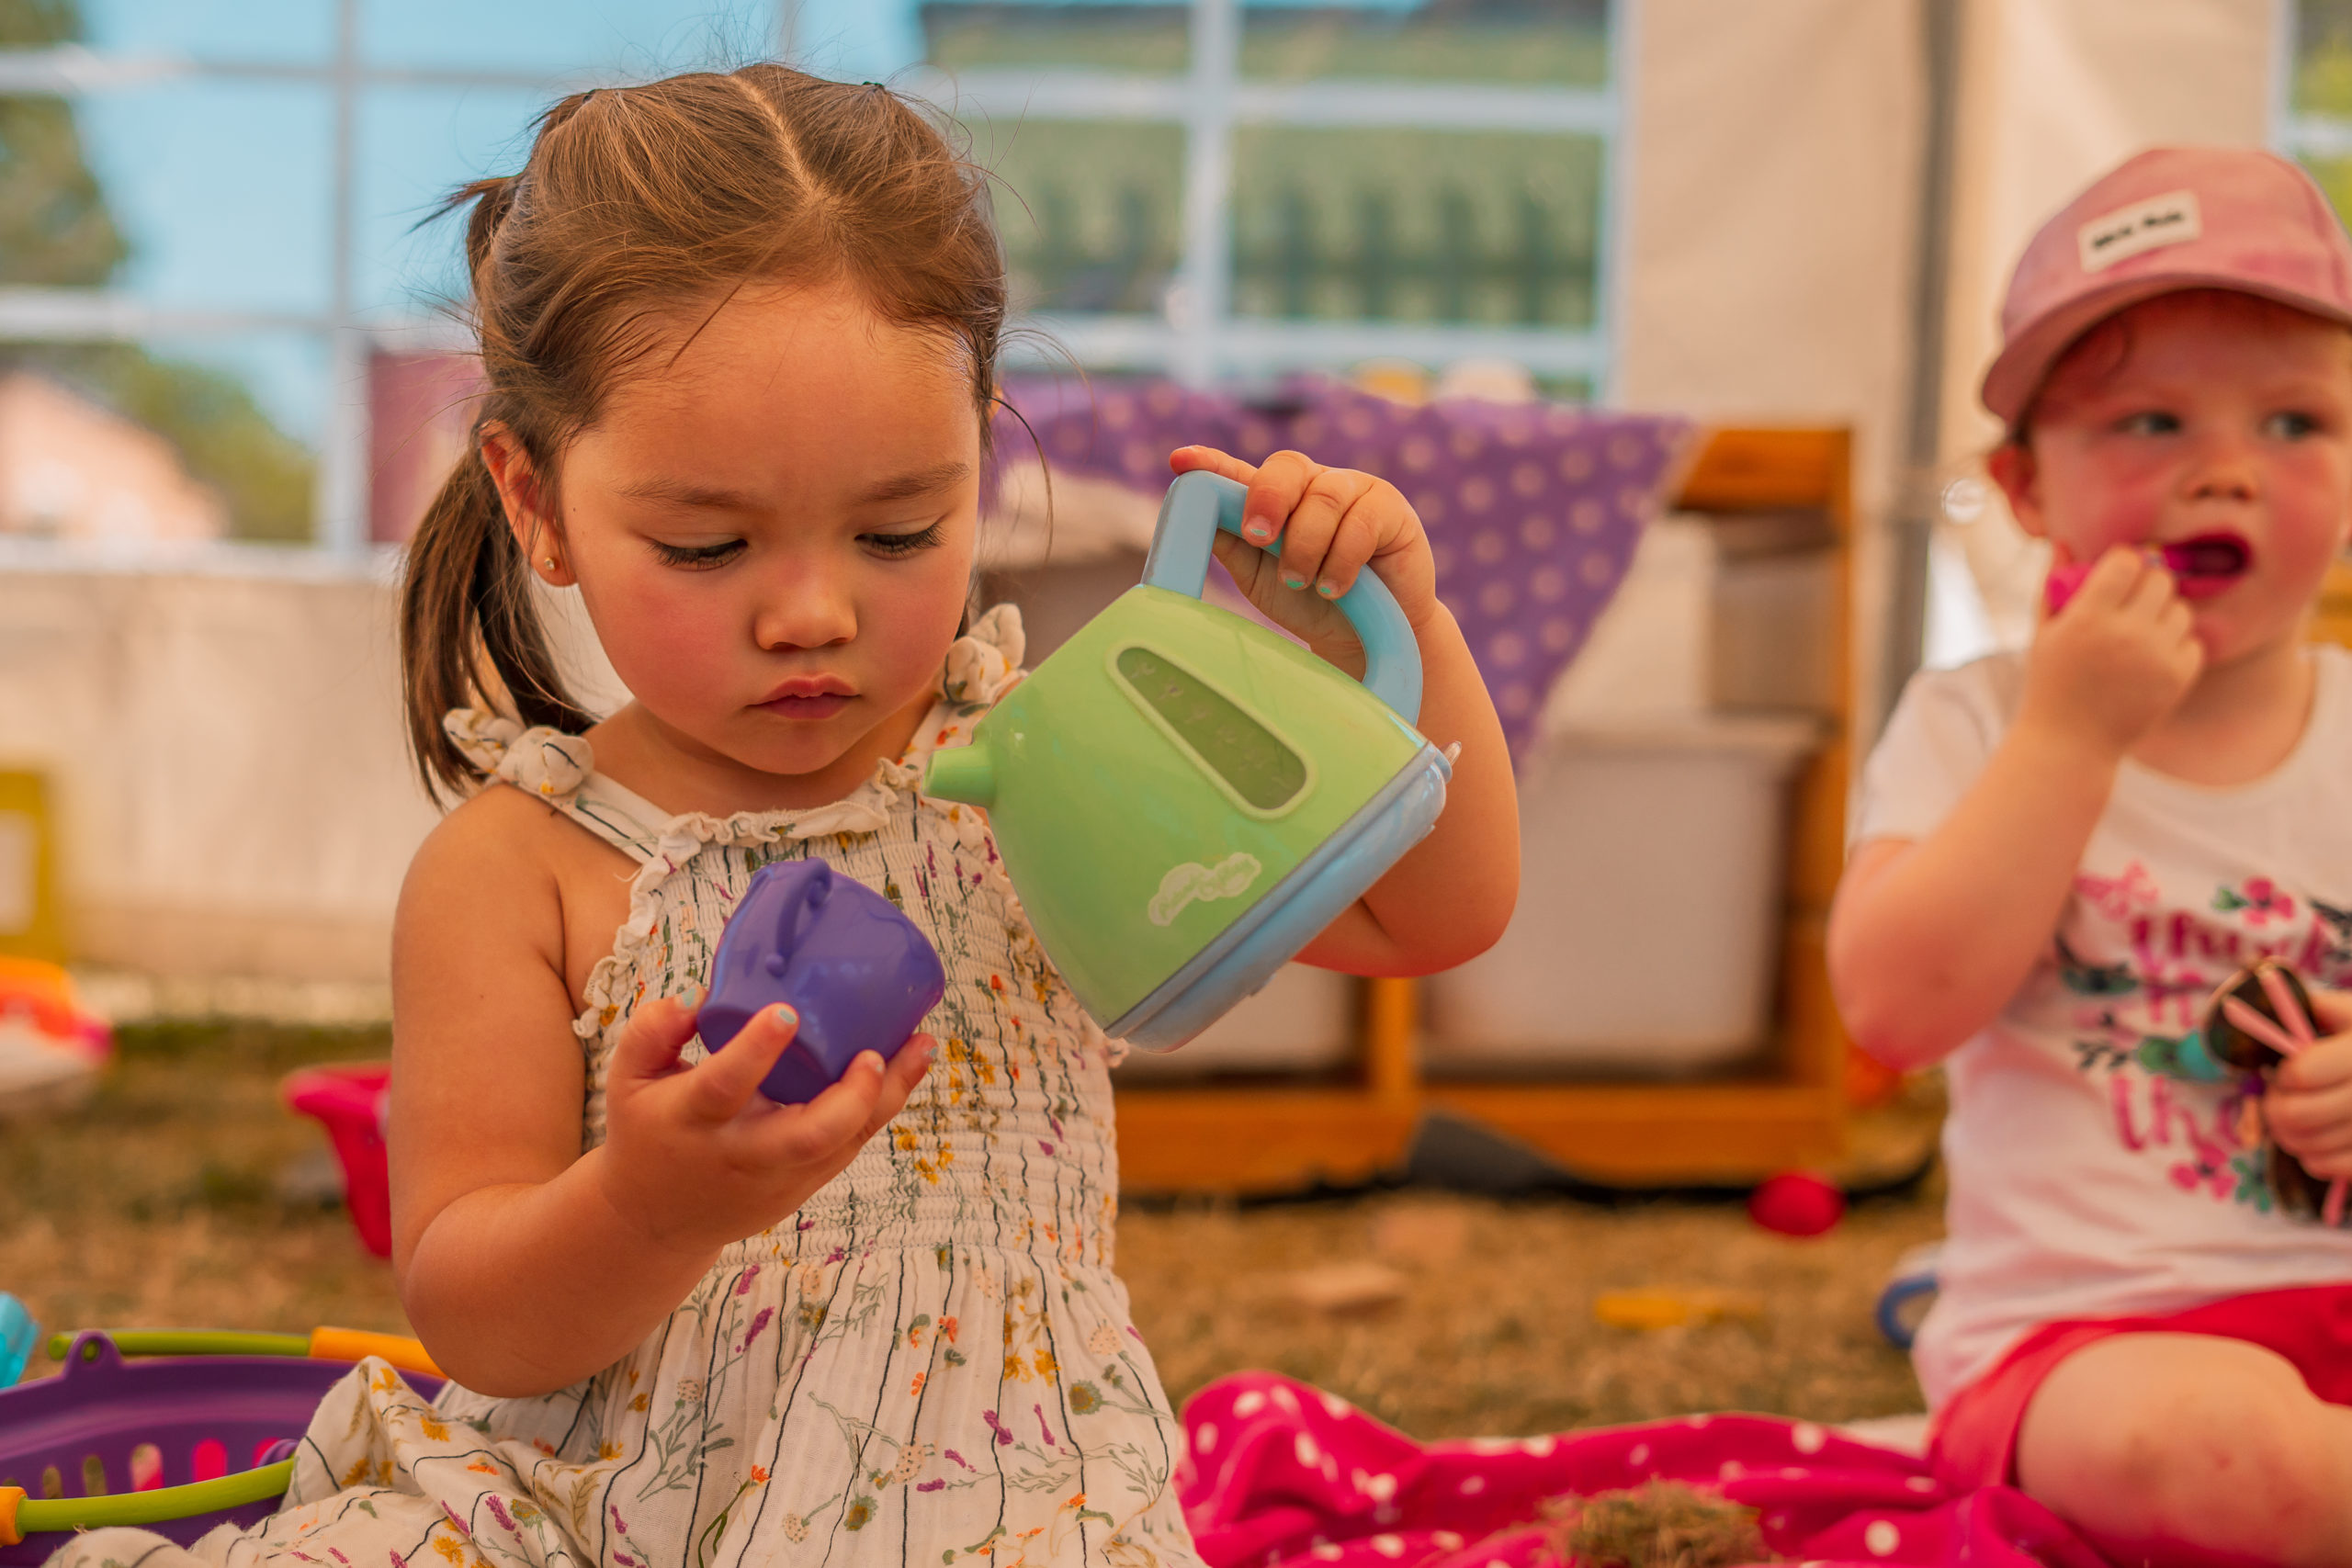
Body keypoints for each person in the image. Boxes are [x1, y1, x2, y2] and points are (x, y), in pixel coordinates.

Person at [49, 65, 1518, 1568]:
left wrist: (1398, 629)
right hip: (593, 1514)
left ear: (980, 457)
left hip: (1005, 1511)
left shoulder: (1046, 762)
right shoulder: (522, 869)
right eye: (706, 544)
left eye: (898, 529)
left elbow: (1429, 911)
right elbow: (474, 1315)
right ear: (536, 499)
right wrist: (645, 1204)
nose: (812, 613)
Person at [1830, 146, 2352, 1566]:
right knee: (2227, 1457)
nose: (2228, 470)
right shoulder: (1977, 721)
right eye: (2151, 421)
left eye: (2297, 422)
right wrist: (2068, 736)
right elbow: (1893, 1007)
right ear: (2025, 488)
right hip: (2082, 1343)